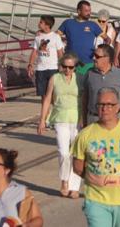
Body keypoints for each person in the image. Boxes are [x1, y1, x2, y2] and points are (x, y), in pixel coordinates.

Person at [72, 88, 120, 227]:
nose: (105, 108)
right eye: (101, 105)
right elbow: (78, 167)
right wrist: (96, 179)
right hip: (96, 201)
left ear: (118, 107)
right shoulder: (85, 135)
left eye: (110, 104)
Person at [37, 53, 83, 197]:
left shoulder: (80, 79)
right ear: (60, 66)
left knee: (76, 153)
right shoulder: (55, 78)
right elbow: (47, 98)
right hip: (60, 117)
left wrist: (85, 119)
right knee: (64, 152)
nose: (68, 70)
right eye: (65, 67)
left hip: (77, 118)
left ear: (75, 67)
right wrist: (42, 120)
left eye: (71, 67)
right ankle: (64, 180)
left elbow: (85, 98)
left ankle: (75, 186)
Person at [84, 46, 120, 125]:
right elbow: (85, 98)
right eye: (94, 55)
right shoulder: (89, 73)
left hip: (115, 119)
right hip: (94, 120)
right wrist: (84, 120)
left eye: (97, 56)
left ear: (107, 58)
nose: (94, 58)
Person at [29, 15, 65, 102]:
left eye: (41, 22)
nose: (39, 23)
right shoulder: (38, 37)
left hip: (53, 69)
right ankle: (45, 114)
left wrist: (62, 66)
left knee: (53, 94)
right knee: (43, 95)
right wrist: (30, 64)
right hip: (40, 69)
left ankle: (54, 112)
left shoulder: (55, 37)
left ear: (47, 25)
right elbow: (34, 52)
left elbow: (60, 52)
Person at [64, 0, 103, 73]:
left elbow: (107, 39)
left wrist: (99, 53)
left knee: (87, 84)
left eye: (90, 11)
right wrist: (41, 32)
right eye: (86, 11)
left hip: (88, 63)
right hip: (70, 64)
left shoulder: (93, 24)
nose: (89, 13)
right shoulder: (68, 23)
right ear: (79, 11)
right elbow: (55, 36)